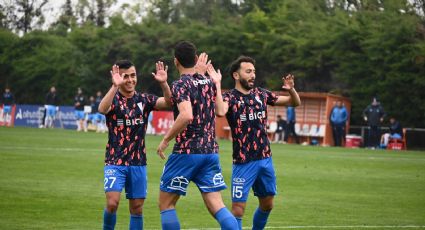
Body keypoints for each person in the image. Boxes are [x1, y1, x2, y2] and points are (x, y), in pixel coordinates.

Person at [212, 55, 301, 230]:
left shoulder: (261, 94)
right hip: (244, 162)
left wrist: (291, 89)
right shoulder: (229, 97)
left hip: (265, 159)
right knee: (238, 209)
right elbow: (221, 111)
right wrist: (217, 84)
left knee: (267, 204)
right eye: (248, 71)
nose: (253, 75)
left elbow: (294, 102)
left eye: (254, 71)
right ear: (236, 76)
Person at [156, 41, 237, 230]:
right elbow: (220, 110)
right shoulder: (208, 82)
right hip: (210, 151)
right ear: (195, 59)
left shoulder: (180, 84)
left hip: (187, 151)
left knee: (166, 204)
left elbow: (186, 115)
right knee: (217, 205)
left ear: (176, 62)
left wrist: (166, 139)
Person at [98, 59, 172, 230]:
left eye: (133, 75)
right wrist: (114, 86)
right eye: (126, 76)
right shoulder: (113, 99)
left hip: (138, 162)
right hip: (115, 161)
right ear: (118, 78)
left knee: (137, 208)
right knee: (112, 203)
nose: (130, 80)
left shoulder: (144, 99)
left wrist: (164, 83)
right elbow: (102, 109)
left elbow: (169, 102)